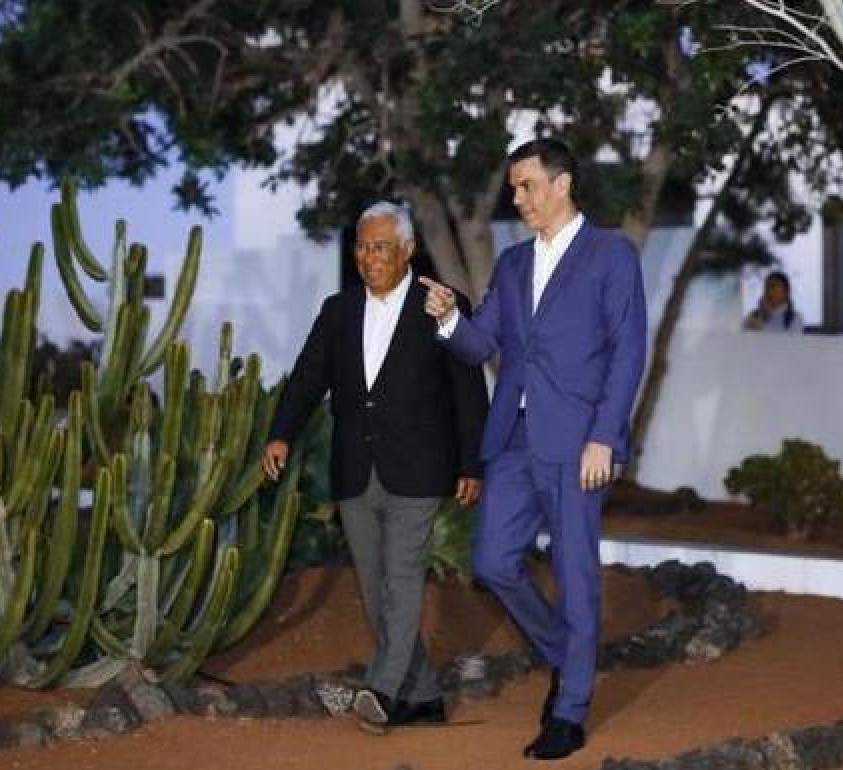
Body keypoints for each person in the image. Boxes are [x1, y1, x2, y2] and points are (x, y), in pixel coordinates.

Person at [419, 138, 647, 761]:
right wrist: (446, 319)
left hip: (578, 442)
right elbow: (479, 344)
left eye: (526, 185)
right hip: (514, 438)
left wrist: (605, 435)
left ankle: (569, 711)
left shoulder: (611, 255)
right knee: (492, 561)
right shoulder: (515, 265)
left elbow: (629, 352)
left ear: (563, 183)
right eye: (513, 188)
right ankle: (567, 657)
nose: (516, 198)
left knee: (575, 575)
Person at [262, 201, 488, 736]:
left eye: (381, 246)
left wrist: (472, 463)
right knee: (372, 585)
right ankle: (426, 697)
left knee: (403, 577)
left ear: (408, 249)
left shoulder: (440, 306)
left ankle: (383, 689)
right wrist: (281, 433)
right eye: (362, 246)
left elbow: (468, 391)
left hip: (419, 468)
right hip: (355, 470)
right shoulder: (337, 311)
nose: (369, 257)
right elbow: (306, 376)